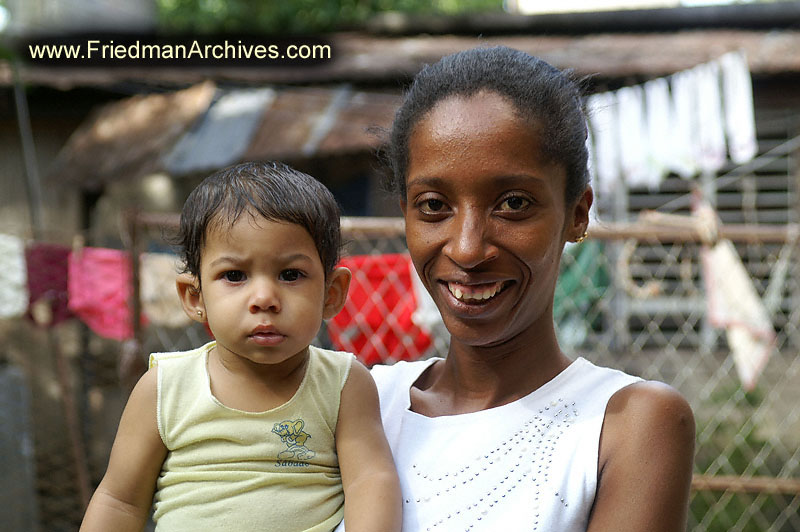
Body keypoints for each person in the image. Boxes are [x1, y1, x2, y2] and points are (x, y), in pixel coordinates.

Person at [341, 46, 696, 532]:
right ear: (404, 211)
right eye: (433, 205)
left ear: (577, 213)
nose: (467, 249)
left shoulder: (624, 423)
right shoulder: (359, 404)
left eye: (512, 203)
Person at [80, 162, 402, 532]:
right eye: (234, 276)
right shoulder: (164, 388)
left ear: (331, 294)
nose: (264, 298)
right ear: (194, 295)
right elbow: (119, 501)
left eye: (291, 275)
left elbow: (370, 481)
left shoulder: (343, 384)